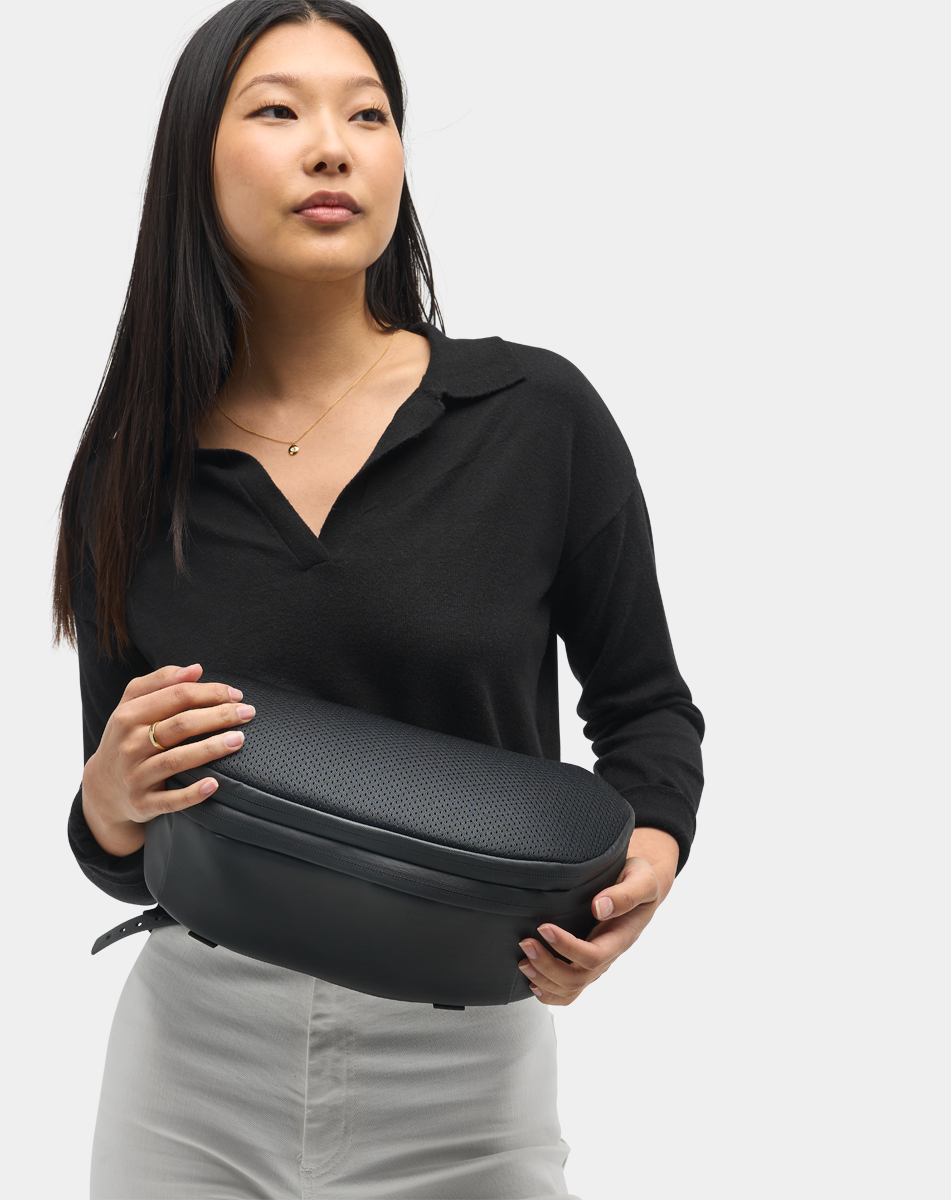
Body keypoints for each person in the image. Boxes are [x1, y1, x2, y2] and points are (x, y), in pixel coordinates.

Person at [54, 2, 705, 1196]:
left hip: (466, 1064)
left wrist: (648, 862)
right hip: (190, 1069)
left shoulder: (534, 418)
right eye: (278, 111)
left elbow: (647, 709)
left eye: (368, 115)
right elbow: (128, 843)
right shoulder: (130, 472)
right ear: (193, 160)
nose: (332, 147)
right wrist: (103, 802)